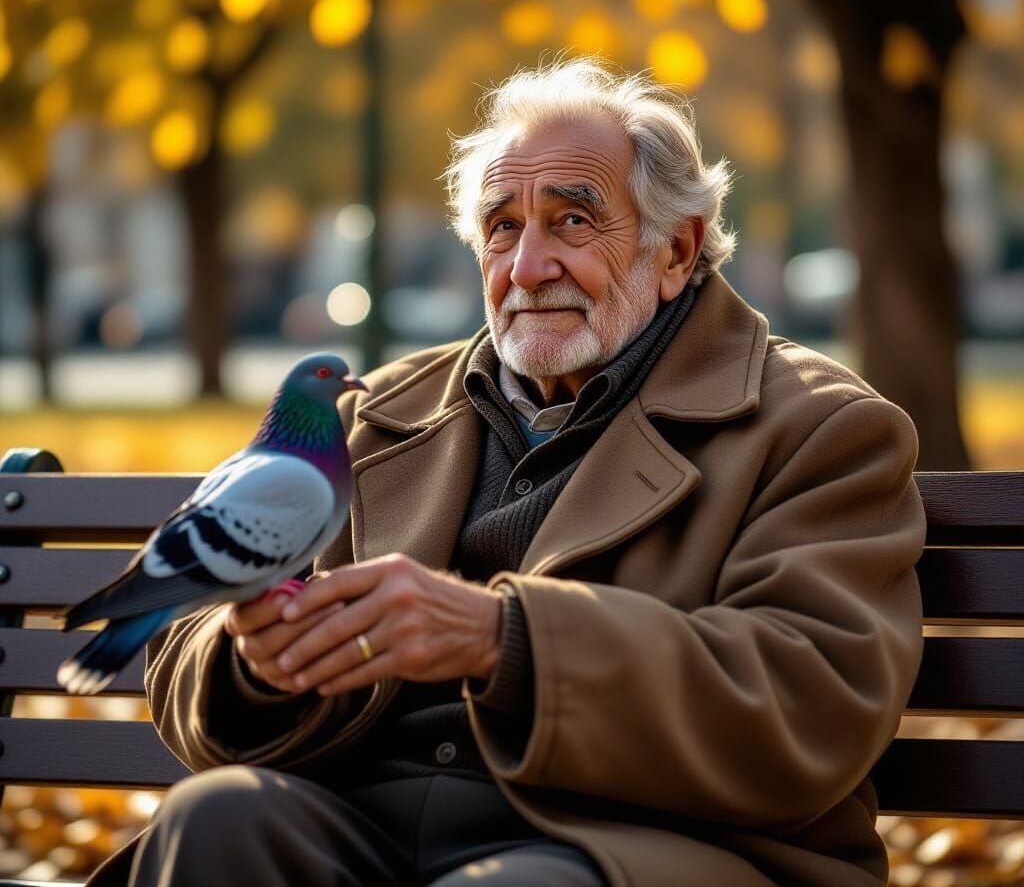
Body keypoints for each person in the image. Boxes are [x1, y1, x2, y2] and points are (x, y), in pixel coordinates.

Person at [89, 58, 925, 887]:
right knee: (216, 821)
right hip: (366, 826)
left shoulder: (819, 426)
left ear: (677, 249)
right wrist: (257, 666)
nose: (526, 268)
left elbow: (812, 701)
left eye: (571, 222)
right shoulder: (367, 415)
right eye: (501, 226)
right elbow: (186, 647)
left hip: (643, 844)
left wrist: (505, 641)